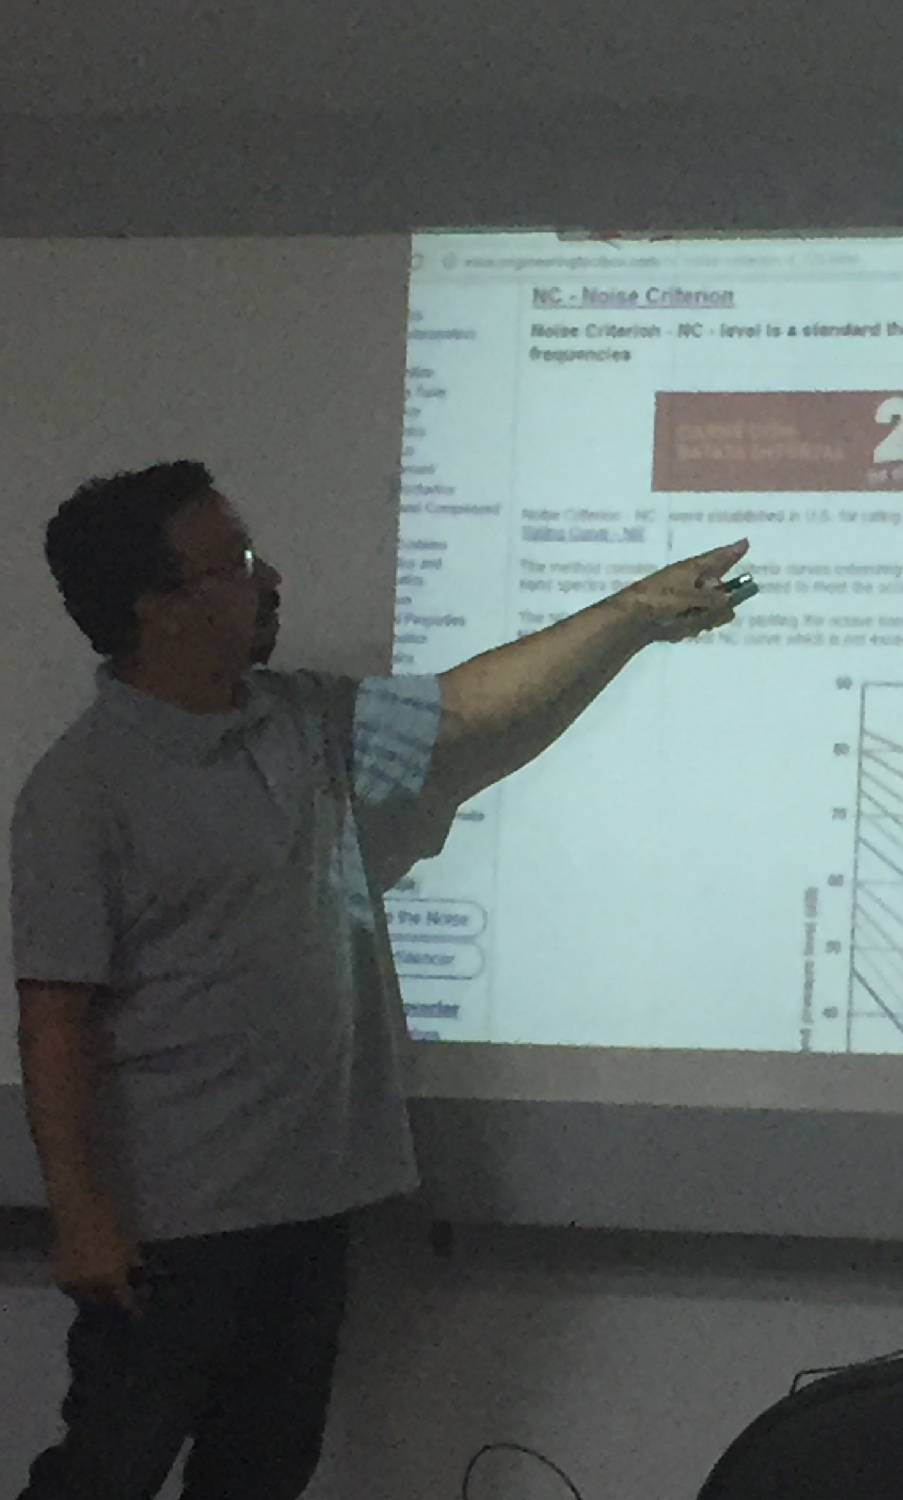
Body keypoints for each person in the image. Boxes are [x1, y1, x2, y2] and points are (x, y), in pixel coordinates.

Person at [10, 460, 747, 1499]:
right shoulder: (82, 791)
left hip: (309, 1203)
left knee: (263, 1471)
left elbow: (469, 711)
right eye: (239, 563)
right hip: (170, 1227)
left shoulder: (304, 721)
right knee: (108, 1470)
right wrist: (81, 1215)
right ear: (158, 606)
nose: (271, 580)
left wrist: (627, 618)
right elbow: (53, 1022)